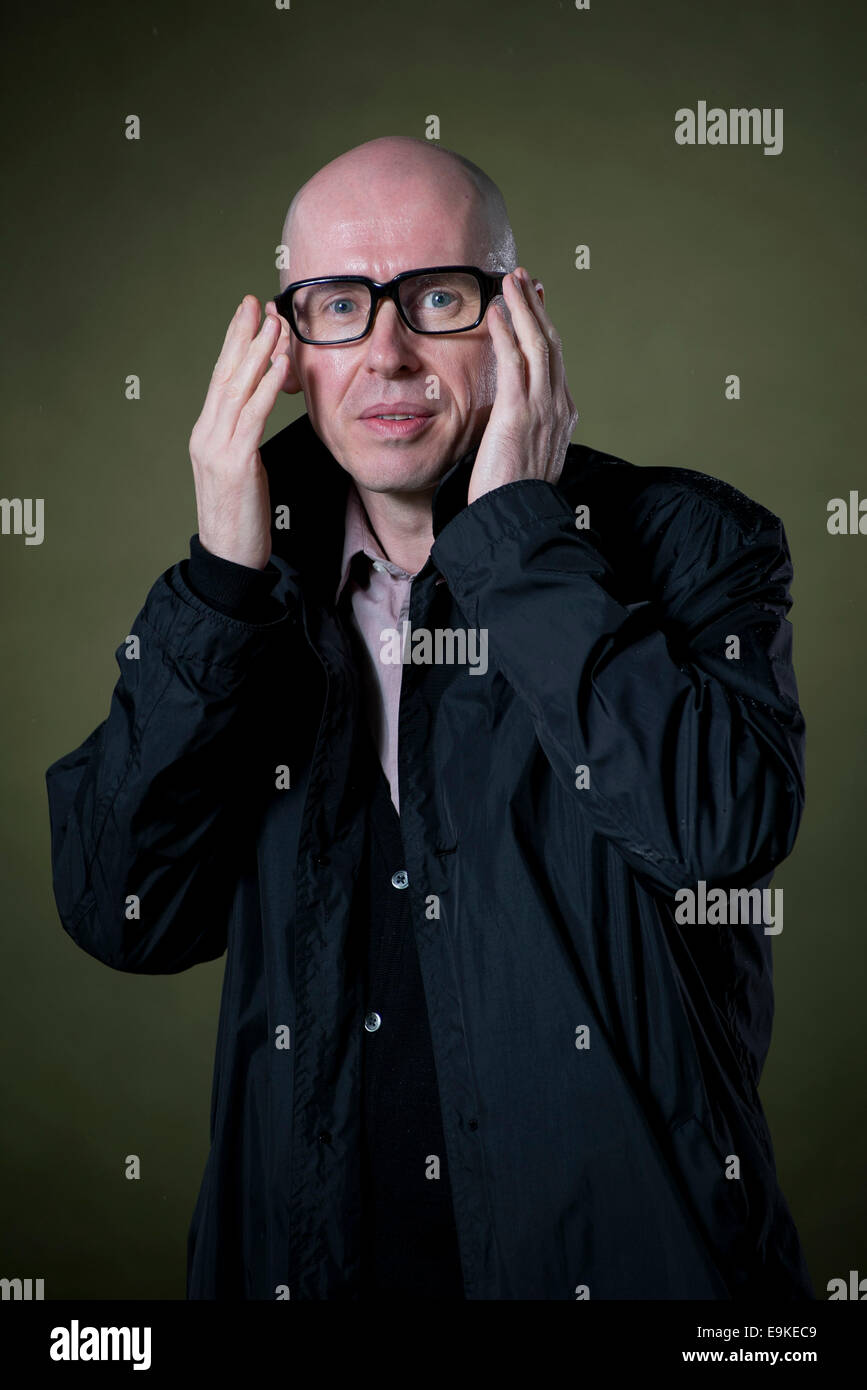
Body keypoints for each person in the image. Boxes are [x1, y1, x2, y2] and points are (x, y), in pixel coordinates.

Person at [45, 134, 814, 1301]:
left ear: (516, 320)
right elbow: (121, 911)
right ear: (290, 346)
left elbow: (720, 829)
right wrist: (218, 584)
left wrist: (520, 540)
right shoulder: (247, 589)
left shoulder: (697, 543)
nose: (388, 354)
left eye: (437, 298)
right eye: (339, 306)